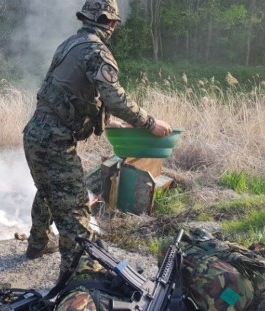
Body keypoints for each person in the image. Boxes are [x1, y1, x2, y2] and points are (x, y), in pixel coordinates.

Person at [22, 0, 173, 277]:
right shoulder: (97, 51)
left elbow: (72, 93)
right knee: (75, 210)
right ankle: (77, 278)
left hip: (35, 135)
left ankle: (38, 244)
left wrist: (106, 122)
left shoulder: (70, 45)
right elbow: (114, 98)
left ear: (86, 18)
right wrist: (150, 123)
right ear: (111, 23)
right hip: (54, 140)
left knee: (47, 190)